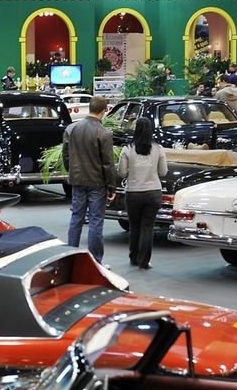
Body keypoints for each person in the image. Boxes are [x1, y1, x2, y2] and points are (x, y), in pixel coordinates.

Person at [62, 96, 117, 264]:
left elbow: (66, 156)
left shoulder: (71, 129)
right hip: (97, 183)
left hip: (77, 180)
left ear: (90, 108)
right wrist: (112, 187)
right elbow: (108, 163)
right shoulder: (104, 133)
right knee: (95, 221)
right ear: (104, 110)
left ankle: (70, 257)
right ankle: (95, 262)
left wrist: (72, 171)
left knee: (76, 218)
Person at [117, 117, 166, 270]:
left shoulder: (127, 149)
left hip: (133, 192)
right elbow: (163, 172)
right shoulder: (158, 148)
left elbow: (121, 172)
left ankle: (133, 257)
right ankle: (144, 262)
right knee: (147, 227)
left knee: (134, 226)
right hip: (153, 192)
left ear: (135, 130)